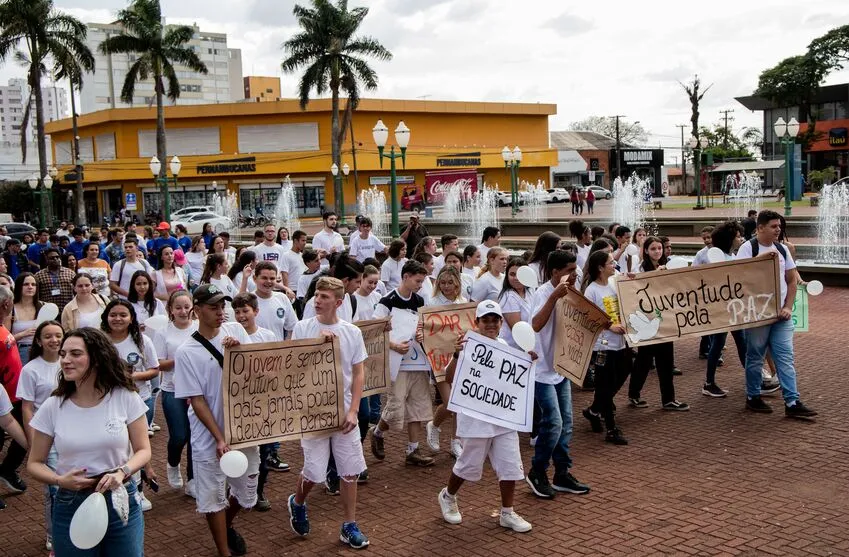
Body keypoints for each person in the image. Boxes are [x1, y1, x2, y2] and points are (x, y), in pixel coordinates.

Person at [26, 327, 151, 557]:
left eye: (75, 354)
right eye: (63, 354)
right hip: (70, 502)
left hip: (120, 497)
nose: (65, 360)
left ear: (96, 358)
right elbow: (34, 463)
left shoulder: (124, 397)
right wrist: (58, 480)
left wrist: (122, 472)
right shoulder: (53, 406)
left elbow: (144, 450)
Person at [287, 277, 371, 548]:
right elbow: (291, 368)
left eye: (324, 296)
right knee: (314, 471)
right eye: (316, 295)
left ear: (338, 302)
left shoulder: (351, 332)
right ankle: (298, 501)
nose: (317, 300)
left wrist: (354, 410)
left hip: (344, 410)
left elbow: (358, 373)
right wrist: (315, 344)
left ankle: (349, 524)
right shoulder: (302, 328)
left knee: (350, 471)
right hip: (312, 411)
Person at [174, 284, 257, 557]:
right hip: (208, 434)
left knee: (247, 492)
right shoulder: (186, 351)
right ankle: (224, 551)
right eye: (213, 307)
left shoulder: (236, 331)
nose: (221, 312)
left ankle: (227, 524)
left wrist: (239, 351)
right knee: (211, 495)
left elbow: (258, 370)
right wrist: (219, 438)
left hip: (244, 428)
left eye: (223, 306)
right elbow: (196, 400)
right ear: (197, 311)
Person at [437, 300, 533, 532]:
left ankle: (507, 513)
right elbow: (449, 377)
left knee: (510, 465)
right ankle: (448, 496)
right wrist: (458, 355)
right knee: (467, 465)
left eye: (494, 320)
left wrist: (529, 361)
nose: (490, 324)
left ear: (501, 323)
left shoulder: (506, 347)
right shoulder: (467, 345)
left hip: (502, 418)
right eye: (485, 320)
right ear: (477, 322)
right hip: (476, 418)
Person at [734, 210, 817, 418]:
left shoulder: (782, 249)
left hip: (781, 315)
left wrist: (788, 307)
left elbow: (791, 280)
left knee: (785, 357)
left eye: (779, 226)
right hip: (758, 315)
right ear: (760, 228)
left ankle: (792, 401)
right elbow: (738, 279)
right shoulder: (748, 248)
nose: (778, 230)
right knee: (755, 357)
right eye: (773, 226)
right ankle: (753, 396)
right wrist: (763, 258)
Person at [526, 250, 589, 498]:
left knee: (567, 424)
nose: (574, 274)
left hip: (561, 367)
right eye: (569, 271)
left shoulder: (572, 290)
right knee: (553, 422)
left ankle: (562, 473)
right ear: (554, 272)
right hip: (541, 369)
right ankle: (537, 471)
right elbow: (535, 325)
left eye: (575, 269)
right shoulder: (542, 293)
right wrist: (554, 296)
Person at [369, 260, 434, 467]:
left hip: (418, 361)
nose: (420, 285)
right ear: (405, 277)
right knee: (396, 407)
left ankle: (413, 449)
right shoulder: (387, 301)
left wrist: (423, 335)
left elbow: (423, 326)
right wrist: (394, 345)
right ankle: (378, 432)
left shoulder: (419, 300)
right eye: (417, 280)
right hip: (397, 361)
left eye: (422, 281)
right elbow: (374, 330)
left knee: (418, 405)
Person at [626, 237, 689, 411]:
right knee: (644, 360)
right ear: (646, 251)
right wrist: (656, 275)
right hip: (647, 322)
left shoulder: (667, 266)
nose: (657, 252)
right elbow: (637, 289)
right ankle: (634, 394)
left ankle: (668, 399)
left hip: (664, 321)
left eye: (659, 248)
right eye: (653, 249)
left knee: (666, 361)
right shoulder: (641, 268)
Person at [17, 320, 63, 548]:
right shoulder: (30, 369)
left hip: (72, 434)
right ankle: (54, 533)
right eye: (48, 336)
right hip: (47, 437)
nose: (54, 340)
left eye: (58, 335)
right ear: (39, 341)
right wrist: (33, 441)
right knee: (53, 489)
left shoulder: (72, 363)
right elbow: (26, 407)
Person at [580, 251, 630, 445]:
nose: (614, 265)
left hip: (621, 342)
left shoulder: (613, 283)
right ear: (600, 267)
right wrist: (609, 326)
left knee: (624, 371)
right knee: (605, 383)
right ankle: (611, 428)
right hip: (603, 345)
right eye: (610, 263)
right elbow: (588, 316)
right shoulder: (591, 290)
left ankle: (594, 410)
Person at [154, 290, 198, 495]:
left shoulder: (199, 328)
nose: (183, 311)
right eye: (178, 307)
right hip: (172, 389)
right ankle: (173, 463)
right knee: (179, 435)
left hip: (197, 390)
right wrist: (180, 359)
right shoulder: (164, 332)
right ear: (170, 310)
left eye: (186, 307)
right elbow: (158, 364)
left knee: (195, 437)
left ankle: (192, 480)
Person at [425, 265, 467, 459]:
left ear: (457, 283)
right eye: (442, 282)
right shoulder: (432, 302)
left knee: (460, 401)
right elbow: (424, 329)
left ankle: (455, 441)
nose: (446, 286)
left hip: (459, 356)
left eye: (450, 282)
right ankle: (434, 425)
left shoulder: (463, 302)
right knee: (450, 402)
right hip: (439, 358)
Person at [702, 222, 747, 398]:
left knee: (736, 343)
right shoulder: (720, 259)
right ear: (729, 239)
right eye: (737, 236)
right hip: (722, 310)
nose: (740, 238)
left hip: (732, 309)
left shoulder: (731, 257)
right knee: (721, 344)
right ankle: (709, 382)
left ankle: (710, 382)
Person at [0, 285, 27, 507]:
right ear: (7, 304)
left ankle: (7, 470)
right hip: (4, 398)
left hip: (15, 394)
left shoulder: (2, 326)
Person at [253, 261, 297, 342]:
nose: (269, 281)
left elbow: (293, 327)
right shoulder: (249, 300)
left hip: (278, 353)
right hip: (254, 353)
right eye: (264, 278)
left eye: (272, 278)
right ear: (255, 279)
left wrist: (286, 346)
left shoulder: (282, 298)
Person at [10, 273, 42, 363]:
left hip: (40, 351)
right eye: (26, 284)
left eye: (33, 284)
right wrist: (22, 334)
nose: (30, 287)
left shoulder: (43, 307)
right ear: (19, 286)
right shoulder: (11, 309)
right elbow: (5, 339)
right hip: (19, 351)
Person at [34, 248, 76, 313]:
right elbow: (36, 296)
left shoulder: (70, 273)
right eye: (52, 258)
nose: (55, 259)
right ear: (46, 259)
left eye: (57, 257)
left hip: (67, 310)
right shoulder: (39, 275)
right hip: (48, 311)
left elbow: (76, 292)